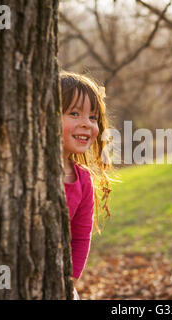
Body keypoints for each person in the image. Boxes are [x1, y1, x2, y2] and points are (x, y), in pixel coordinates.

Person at [60, 71, 112, 300]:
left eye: (92, 117)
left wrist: (67, 282)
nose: (86, 124)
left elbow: (80, 237)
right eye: (74, 113)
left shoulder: (83, 180)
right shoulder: (27, 172)